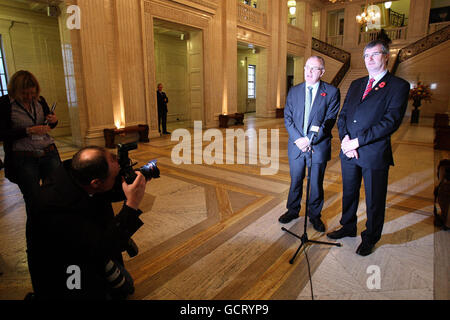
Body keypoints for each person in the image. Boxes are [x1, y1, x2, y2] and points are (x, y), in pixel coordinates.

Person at [28, 146, 149, 299]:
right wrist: (131, 205)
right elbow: (102, 247)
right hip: (68, 270)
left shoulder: (76, 173)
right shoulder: (55, 208)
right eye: (114, 177)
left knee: (126, 285)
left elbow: (106, 191)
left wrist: (132, 182)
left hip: (88, 249)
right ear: (96, 183)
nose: (117, 179)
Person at [327, 39, 410, 256]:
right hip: (348, 150)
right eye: (366, 55)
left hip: (373, 153)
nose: (369, 59)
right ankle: (348, 226)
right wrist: (345, 140)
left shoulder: (398, 86)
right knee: (349, 193)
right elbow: (343, 115)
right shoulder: (356, 84)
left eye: (374, 54)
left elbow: (390, 122)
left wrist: (357, 142)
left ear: (386, 57)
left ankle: (371, 237)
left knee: (374, 199)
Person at [279, 56, 340, 232]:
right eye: (307, 67)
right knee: (296, 180)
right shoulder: (294, 91)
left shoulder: (331, 92)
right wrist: (299, 139)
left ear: (322, 72)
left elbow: (329, 120)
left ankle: (314, 216)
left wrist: (310, 139)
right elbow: (288, 117)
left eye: (314, 68)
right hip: (296, 146)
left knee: (315, 182)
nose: (309, 71)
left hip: (317, 146)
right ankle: (292, 210)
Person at [0, 70, 60, 213]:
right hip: (24, 158)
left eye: (32, 93)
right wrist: (28, 130)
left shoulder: (40, 100)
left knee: (56, 193)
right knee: (33, 199)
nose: (29, 97)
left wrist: (54, 121)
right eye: (25, 94)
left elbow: (48, 124)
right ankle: (37, 232)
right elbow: (2, 134)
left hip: (48, 153)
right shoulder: (4, 104)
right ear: (15, 90)